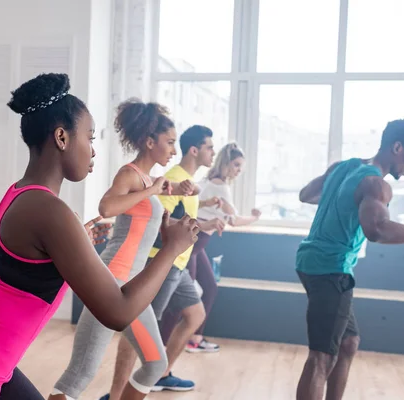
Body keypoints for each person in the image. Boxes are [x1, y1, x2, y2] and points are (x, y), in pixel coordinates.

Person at [0, 73, 199, 400]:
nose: (93, 152)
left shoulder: (21, 194)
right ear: (61, 137)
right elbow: (118, 312)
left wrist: (75, 238)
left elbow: (27, 265)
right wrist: (171, 249)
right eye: (89, 138)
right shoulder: (51, 212)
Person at [295, 119, 404, 400]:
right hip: (330, 269)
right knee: (321, 357)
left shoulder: (344, 167)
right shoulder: (375, 184)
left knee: (348, 342)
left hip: (311, 261)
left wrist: (342, 199)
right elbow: (378, 230)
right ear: (397, 147)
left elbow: (307, 195)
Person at [48, 98, 197, 400]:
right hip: (111, 282)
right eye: (169, 143)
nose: (173, 150)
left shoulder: (147, 181)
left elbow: (144, 214)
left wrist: (164, 198)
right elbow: (107, 206)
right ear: (149, 141)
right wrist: (153, 189)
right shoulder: (129, 174)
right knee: (80, 374)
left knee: (156, 363)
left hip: (132, 288)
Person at [101, 125, 225, 399]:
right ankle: (117, 392)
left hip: (177, 265)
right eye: (209, 147)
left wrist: (204, 224)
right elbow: (161, 222)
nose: (213, 152)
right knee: (139, 329)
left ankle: (160, 374)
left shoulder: (186, 181)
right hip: (162, 263)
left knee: (196, 315)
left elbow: (182, 222)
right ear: (195, 150)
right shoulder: (171, 178)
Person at [159, 142, 262, 353]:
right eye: (236, 165)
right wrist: (254, 217)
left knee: (208, 288)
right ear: (225, 163)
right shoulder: (219, 185)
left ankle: (194, 337)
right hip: (192, 245)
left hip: (197, 245)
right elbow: (232, 219)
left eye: (241, 166)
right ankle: (165, 344)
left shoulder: (208, 181)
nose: (238, 170)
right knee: (181, 302)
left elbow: (203, 208)